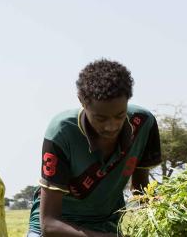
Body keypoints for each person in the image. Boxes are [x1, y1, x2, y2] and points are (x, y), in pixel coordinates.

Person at [27, 59, 163, 237]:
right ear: (82, 101)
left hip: (107, 225)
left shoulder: (143, 123)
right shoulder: (62, 132)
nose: (111, 126)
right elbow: (49, 223)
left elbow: (142, 192)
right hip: (60, 227)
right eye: (101, 118)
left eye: (119, 115)